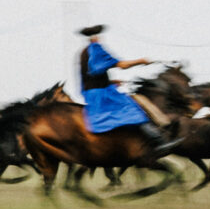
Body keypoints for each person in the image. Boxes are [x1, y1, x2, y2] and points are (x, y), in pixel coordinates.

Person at [76, 24, 180, 152]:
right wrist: (140, 61)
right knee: (133, 110)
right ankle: (158, 141)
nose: (99, 38)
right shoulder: (96, 49)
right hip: (102, 94)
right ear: (95, 38)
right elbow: (122, 65)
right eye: (98, 36)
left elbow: (91, 74)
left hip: (91, 92)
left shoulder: (84, 52)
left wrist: (111, 81)